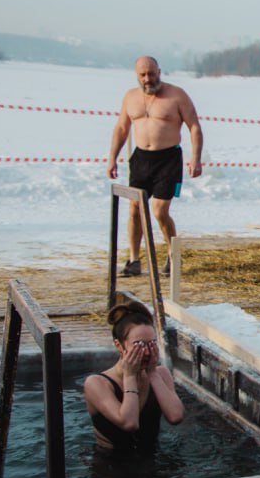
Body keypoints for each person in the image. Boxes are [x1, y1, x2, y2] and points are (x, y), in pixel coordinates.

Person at [107, 56, 203, 278]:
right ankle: (133, 260)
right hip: (141, 159)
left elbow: (194, 127)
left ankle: (172, 254)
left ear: (159, 71)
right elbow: (122, 128)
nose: (148, 79)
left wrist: (195, 158)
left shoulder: (177, 95)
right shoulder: (130, 97)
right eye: (143, 75)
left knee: (160, 211)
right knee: (135, 209)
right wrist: (112, 157)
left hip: (168, 159)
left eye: (151, 73)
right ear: (137, 75)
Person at [84, 300, 185, 451]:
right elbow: (129, 423)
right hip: (111, 462)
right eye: (139, 345)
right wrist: (130, 376)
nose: (147, 352)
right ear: (119, 346)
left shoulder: (161, 373)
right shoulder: (97, 383)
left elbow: (176, 416)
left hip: (152, 455)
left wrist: (152, 373)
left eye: (151, 344)